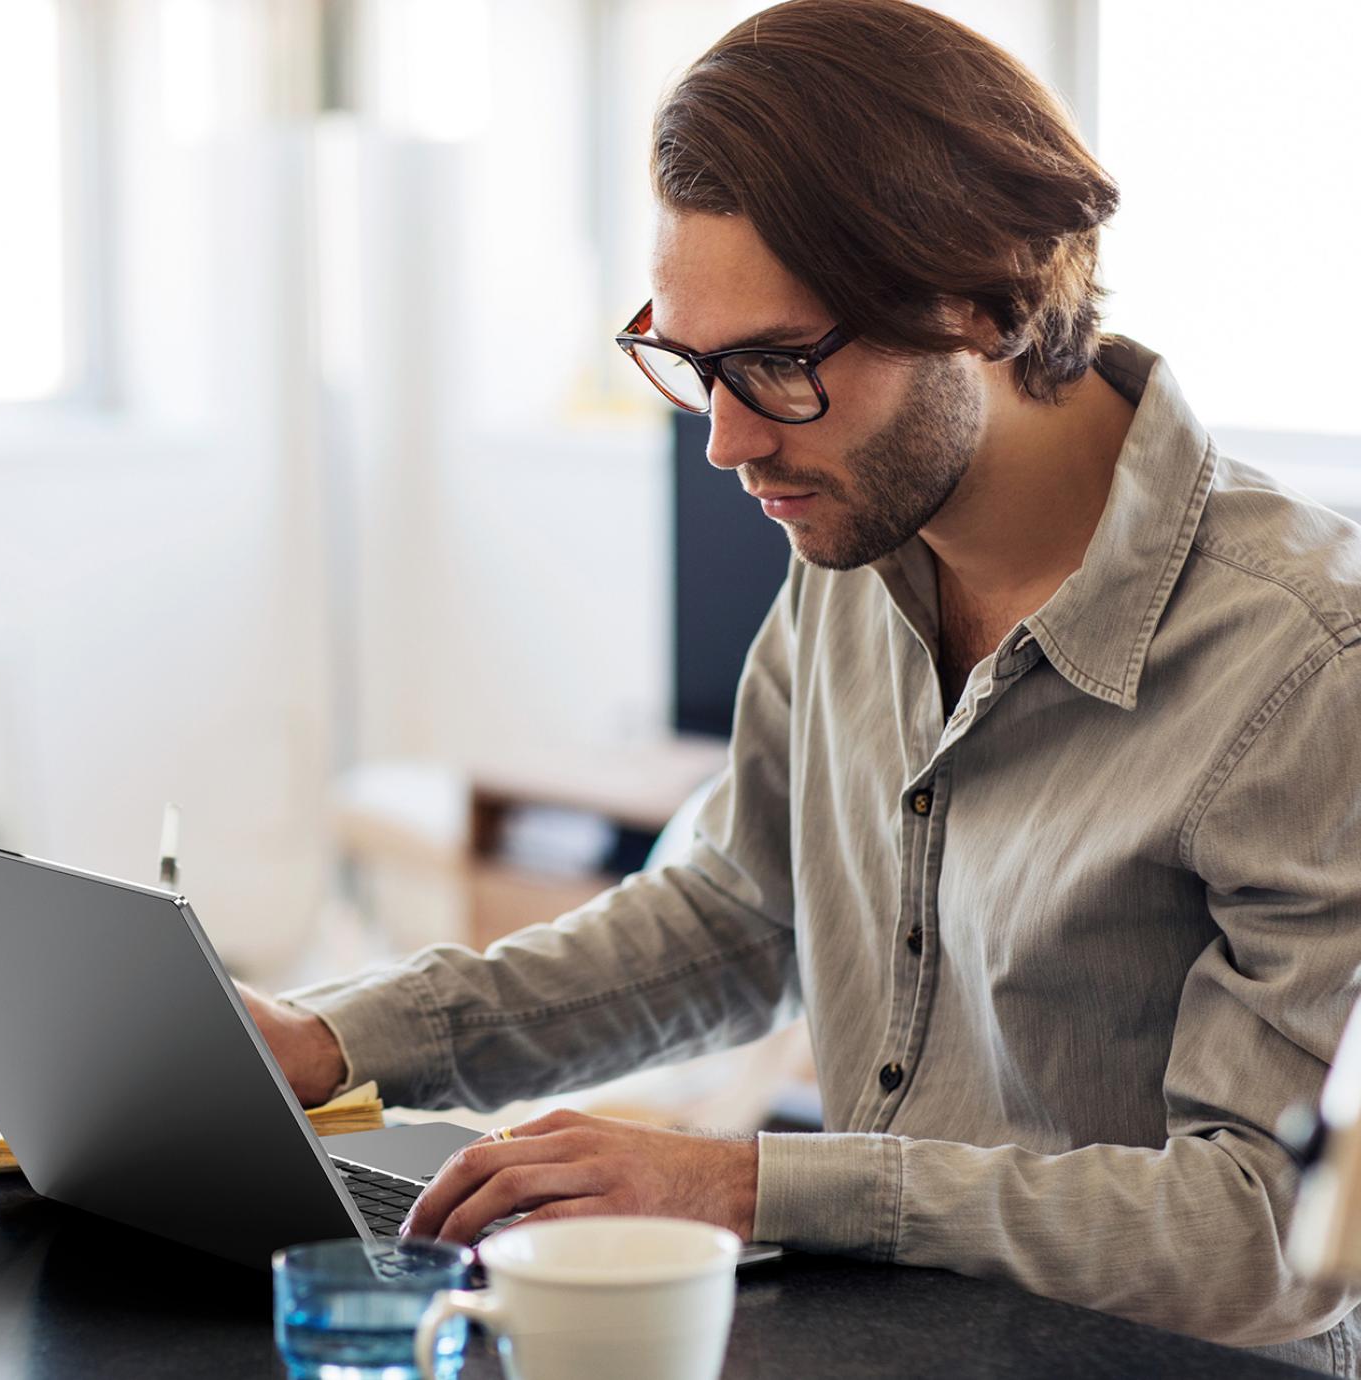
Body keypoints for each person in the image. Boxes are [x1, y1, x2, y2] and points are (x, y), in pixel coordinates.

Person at [239, 0, 1361, 1371]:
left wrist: (755, 1183)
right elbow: (733, 911)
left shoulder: (1311, 661)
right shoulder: (853, 544)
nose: (724, 442)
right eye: (690, 363)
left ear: (990, 294)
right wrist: (335, 1038)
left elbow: (1265, 1239)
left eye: (776, 365)